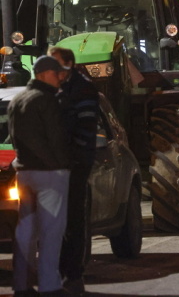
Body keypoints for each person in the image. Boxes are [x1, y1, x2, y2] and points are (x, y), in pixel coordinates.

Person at [9, 56, 72, 297]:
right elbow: (55, 138)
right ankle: (49, 285)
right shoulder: (47, 100)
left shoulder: (18, 100)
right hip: (49, 174)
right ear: (45, 74)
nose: (61, 78)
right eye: (58, 74)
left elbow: (17, 138)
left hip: (24, 172)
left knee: (26, 231)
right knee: (51, 231)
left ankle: (21, 284)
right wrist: (60, 163)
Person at [48, 46, 100, 295]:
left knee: (72, 220)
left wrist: (70, 156)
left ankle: (73, 274)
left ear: (68, 63)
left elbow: (86, 126)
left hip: (75, 163)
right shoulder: (57, 87)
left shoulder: (82, 88)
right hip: (56, 164)